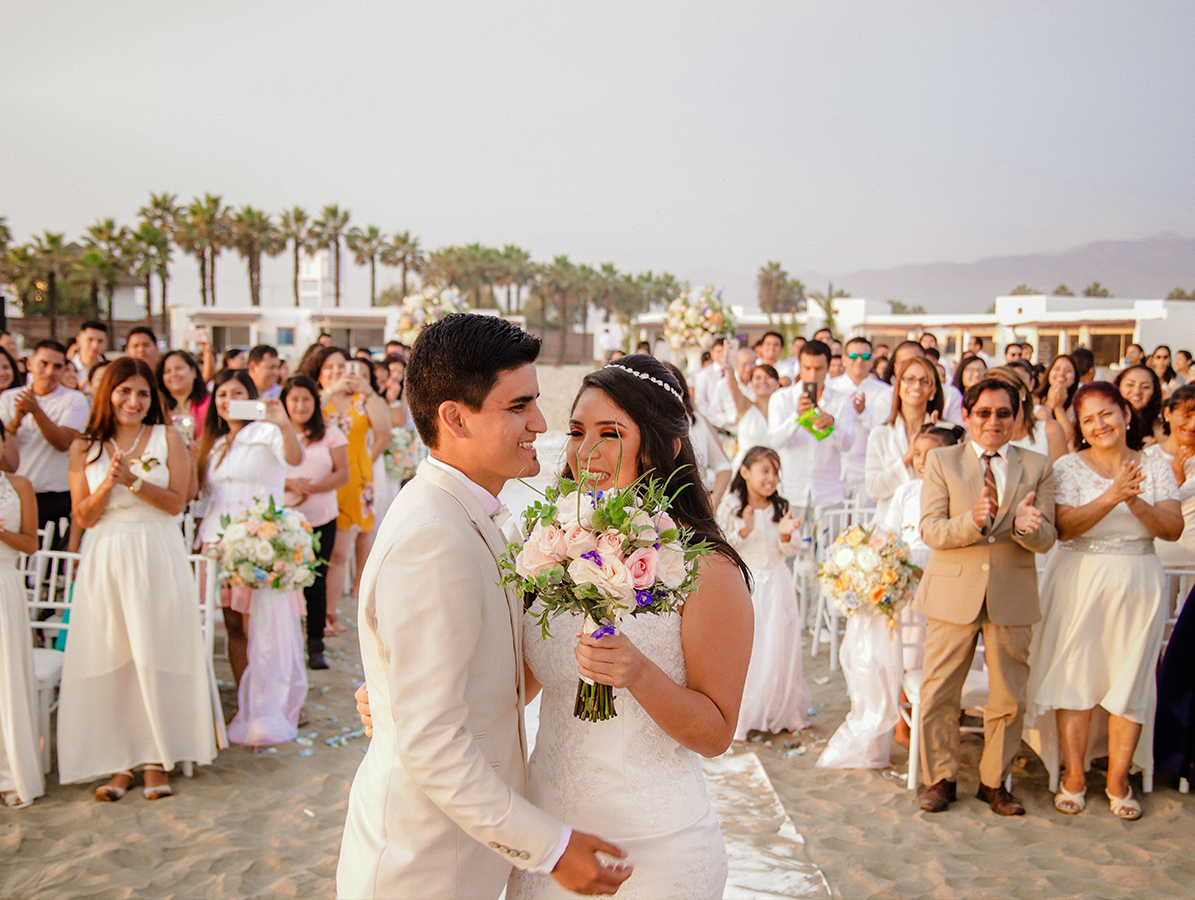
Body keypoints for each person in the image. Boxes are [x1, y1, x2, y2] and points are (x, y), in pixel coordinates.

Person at [338, 315, 637, 900]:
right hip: (422, 866)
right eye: (519, 405)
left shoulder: (465, 513)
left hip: (460, 853)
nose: (541, 424)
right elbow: (431, 742)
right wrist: (550, 848)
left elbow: (477, 680)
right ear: (454, 417)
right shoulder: (435, 539)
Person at [507, 352, 752, 898]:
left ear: (660, 447)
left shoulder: (708, 570)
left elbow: (715, 734)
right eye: (576, 430)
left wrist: (639, 672)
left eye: (611, 432)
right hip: (549, 840)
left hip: (654, 851)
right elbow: (516, 685)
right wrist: (405, 696)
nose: (587, 450)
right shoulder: (547, 548)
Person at [59, 358, 217, 801]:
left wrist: (132, 481)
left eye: (143, 393)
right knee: (111, 656)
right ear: (108, 393)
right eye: (124, 391)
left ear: (153, 399)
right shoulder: (85, 447)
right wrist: (108, 484)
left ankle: (155, 759)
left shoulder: (168, 438)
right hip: (106, 554)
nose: (133, 401)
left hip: (156, 552)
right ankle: (118, 762)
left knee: (156, 653)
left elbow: (176, 503)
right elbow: (83, 515)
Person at [1026, 382, 1182, 820]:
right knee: (1076, 677)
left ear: (1126, 414)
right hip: (1079, 580)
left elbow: (1170, 529)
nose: (1099, 425)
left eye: (1107, 414)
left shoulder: (1155, 467)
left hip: (1138, 582)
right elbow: (1065, 528)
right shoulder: (1069, 468)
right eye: (1089, 419)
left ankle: (1117, 779)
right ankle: (1074, 776)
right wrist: (1112, 495)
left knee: (1128, 682)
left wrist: (1134, 502)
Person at [915, 378, 1056, 816]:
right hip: (952, 591)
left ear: (1017, 418)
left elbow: (1050, 537)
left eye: (1003, 413)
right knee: (940, 691)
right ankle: (941, 778)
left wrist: (1027, 528)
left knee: (1009, 696)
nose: (993, 421)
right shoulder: (942, 460)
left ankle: (995, 782)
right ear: (967, 416)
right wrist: (972, 522)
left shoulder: (1038, 465)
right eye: (984, 413)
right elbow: (931, 529)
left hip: (1011, 594)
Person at [197, 370, 304, 731]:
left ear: (252, 396)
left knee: (265, 625)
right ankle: (247, 702)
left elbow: (294, 457)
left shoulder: (267, 432)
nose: (228, 400)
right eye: (222, 394)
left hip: (259, 538)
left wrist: (282, 422)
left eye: (237, 392)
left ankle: (274, 701)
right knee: (232, 625)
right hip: (218, 540)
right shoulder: (213, 444)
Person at [718, 446, 809, 740]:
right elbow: (723, 545)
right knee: (752, 650)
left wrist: (785, 534)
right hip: (748, 586)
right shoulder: (732, 506)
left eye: (775, 473)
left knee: (780, 647)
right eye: (765, 471)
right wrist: (743, 530)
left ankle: (782, 710)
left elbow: (792, 548)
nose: (771, 479)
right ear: (745, 472)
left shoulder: (781, 507)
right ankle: (745, 713)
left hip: (779, 584)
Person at [299, 347, 390, 630]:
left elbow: (384, 431)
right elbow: (301, 420)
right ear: (319, 372)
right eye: (330, 368)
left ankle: (328, 613)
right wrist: (329, 391)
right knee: (310, 550)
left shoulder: (362, 399)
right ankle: (305, 610)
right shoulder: (314, 398)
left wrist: (365, 464)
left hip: (355, 483)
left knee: (339, 554)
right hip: (319, 481)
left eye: (342, 367)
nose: (337, 373)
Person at [282, 375, 349, 670]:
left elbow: (342, 473)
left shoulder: (330, 433)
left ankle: (315, 646)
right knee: (284, 580)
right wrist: (290, 484)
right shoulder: (275, 433)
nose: (300, 405)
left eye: (306, 399)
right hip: (283, 520)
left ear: (315, 402)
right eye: (294, 399)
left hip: (322, 517)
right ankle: (287, 645)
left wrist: (310, 488)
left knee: (316, 581)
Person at [0, 341, 90, 548]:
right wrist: (16, 420)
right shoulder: (9, 398)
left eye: (57, 366)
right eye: (43, 364)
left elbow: (64, 442)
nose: (50, 372)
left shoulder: (74, 400)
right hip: (16, 494)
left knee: (50, 568)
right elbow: (2, 444)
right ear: (30, 364)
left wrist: (36, 411)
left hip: (56, 497)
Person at [0, 451, 43, 809]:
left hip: (5, 584)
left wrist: (1, 532)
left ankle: (9, 773)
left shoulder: (19, 485)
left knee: (6, 677)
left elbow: (31, 543)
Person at [767, 339, 856, 511]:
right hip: (791, 492)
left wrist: (833, 425)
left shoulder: (841, 400)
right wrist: (796, 417)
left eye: (818, 368)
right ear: (799, 365)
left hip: (828, 493)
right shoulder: (782, 398)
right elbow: (775, 441)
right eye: (807, 368)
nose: (813, 375)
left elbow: (848, 445)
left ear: (828, 367)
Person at [865, 356, 946, 522]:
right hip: (888, 528)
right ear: (899, 386)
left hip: (931, 525)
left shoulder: (946, 432)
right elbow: (873, 489)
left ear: (933, 391)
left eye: (925, 381)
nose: (917, 386)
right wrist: (908, 457)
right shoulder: (880, 434)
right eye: (910, 379)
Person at [830, 337, 890, 504]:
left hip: (867, 471)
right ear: (844, 359)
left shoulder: (884, 391)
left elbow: (885, 432)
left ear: (871, 361)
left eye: (864, 357)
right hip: (834, 471)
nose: (859, 361)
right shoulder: (831, 388)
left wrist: (863, 412)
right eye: (853, 356)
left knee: (864, 527)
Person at [663, 363, 731, 507]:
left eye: (673, 384)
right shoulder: (642, 426)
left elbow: (723, 466)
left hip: (698, 505)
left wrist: (715, 499)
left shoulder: (698, 422)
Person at [989, 365, 1069, 461]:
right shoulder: (986, 438)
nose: (1000, 398)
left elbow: (1061, 473)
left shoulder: (1050, 431)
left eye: (1007, 390)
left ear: (1023, 392)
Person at [724, 363, 780, 473]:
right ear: (751, 383)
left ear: (777, 384)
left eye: (768, 377)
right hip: (747, 468)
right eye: (758, 378)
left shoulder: (784, 411)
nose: (763, 381)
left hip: (775, 469)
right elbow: (732, 384)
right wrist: (729, 369)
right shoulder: (744, 406)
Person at [156, 350, 210, 441]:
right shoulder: (157, 407)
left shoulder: (210, 404)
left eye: (178, 368)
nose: (173, 374)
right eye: (167, 371)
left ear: (193, 371)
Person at [707, 347, 756, 433]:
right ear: (736, 365)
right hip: (730, 436)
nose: (748, 369)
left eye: (752, 365)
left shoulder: (759, 385)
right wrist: (733, 418)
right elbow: (712, 416)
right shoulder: (723, 385)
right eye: (744, 365)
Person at [1035, 354, 1078, 449]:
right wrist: (1050, 406)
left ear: (1074, 378)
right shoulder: (1035, 399)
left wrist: (1058, 407)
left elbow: (1067, 438)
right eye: (1056, 369)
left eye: (1068, 371)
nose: (1061, 373)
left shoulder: (1078, 404)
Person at [1115, 364, 1163, 446]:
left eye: (1145, 387)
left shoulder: (1160, 427)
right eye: (1130, 385)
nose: (1137, 391)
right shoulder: (1108, 423)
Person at [692, 337, 725, 420]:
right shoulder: (704, 374)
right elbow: (700, 401)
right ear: (712, 353)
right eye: (719, 351)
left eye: (725, 351)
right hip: (711, 420)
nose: (722, 354)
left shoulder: (735, 372)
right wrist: (711, 419)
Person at [71, 321, 108, 395]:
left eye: (100, 341)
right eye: (90, 340)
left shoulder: (109, 369)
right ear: (78, 340)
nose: (95, 345)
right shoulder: (68, 369)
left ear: (106, 343)